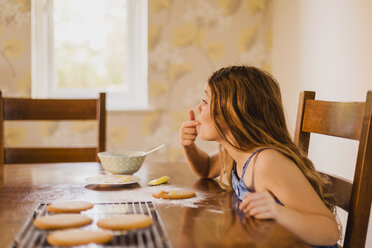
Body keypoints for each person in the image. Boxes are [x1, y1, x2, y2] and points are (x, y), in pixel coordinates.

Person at [179, 65, 340, 247]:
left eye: (206, 101)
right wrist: (189, 147)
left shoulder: (266, 163)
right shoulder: (236, 154)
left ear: (233, 113)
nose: (199, 107)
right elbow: (207, 169)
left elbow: (330, 231)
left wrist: (277, 211)